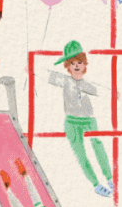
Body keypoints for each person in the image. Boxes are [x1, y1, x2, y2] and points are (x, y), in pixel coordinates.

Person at [44, 41, 113, 197]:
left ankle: (109, 178)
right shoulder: (65, 80)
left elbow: (100, 90)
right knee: (80, 153)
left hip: (88, 120)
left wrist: (113, 93)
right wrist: (30, 69)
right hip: (72, 121)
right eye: (72, 63)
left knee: (98, 145)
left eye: (79, 62)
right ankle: (96, 184)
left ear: (84, 64)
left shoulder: (86, 84)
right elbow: (47, 75)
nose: (76, 66)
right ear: (68, 66)